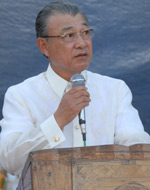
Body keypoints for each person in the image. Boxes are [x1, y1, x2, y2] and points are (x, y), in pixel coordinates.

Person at [0, 1, 150, 176]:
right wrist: (58, 120)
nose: (81, 43)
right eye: (69, 35)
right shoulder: (21, 95)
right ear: (44, 46)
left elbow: (134, 140)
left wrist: (141, 149)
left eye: (85, 33)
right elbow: (10, 161)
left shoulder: (114, 90)